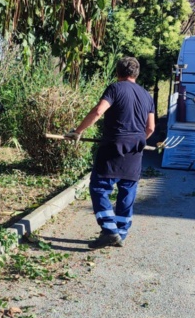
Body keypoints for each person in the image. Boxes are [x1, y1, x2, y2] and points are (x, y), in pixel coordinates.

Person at [65, 57, 155, 249]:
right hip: (136, 149)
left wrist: (77, 131)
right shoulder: (147, 96)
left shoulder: (115, 88)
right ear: (136, 74)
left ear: (118, 72)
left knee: (99, 187)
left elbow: (98, 111)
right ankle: (121, 232)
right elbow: (151, 128)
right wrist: (137, 140)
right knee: (127, 190)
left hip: (114, 145)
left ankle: (109, 230)